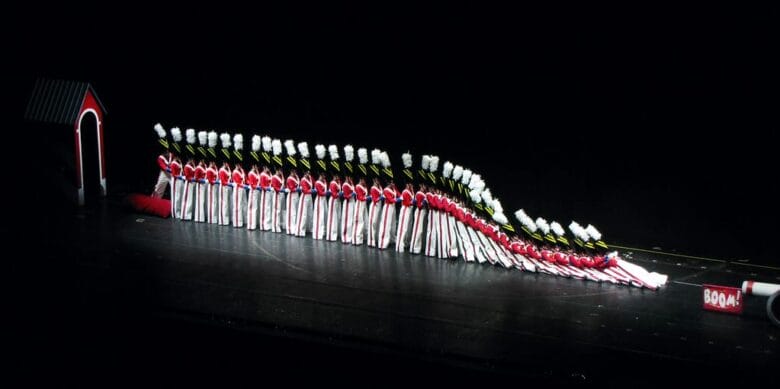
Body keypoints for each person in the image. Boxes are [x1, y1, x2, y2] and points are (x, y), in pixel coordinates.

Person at [377, 181, 398, 249]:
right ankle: (382, 243)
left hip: (393, 207)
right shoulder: (386, 190)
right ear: (389, 183)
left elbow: (399, 194)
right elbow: (390, 199)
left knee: (393, 225)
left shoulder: (394, 189)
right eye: (392, 183)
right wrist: (398, 200)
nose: (394, 184)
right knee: (386, 225)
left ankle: (391, 240)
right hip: (388, 207)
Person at [395, 183, 414, 252]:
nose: (411, 186)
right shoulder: (405, 191)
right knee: (402, 228)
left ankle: (405, 243)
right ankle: (399, 246)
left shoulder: (411, 191)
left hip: (409, 210)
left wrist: (412, 190)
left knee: (407, 228)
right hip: (405, 209)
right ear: (407, 185)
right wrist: (413, 202)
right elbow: (407, 202)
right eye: (409, 184)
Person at [409, 184, 428, 255]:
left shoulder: (423, 194)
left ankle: (417, 248)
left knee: (421, 231)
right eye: (424, 186)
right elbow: (419, 206)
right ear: (421, 186)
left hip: (423, 212)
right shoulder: (419, 193)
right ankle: (413, 248)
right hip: (420, 212)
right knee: (417, 230)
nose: (425, 187)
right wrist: (424, 201)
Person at [295, 171, 313, 237]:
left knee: (309, 214)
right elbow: (305, 190)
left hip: (309, 196)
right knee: (303, 214)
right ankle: (300, 231)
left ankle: (307, 229)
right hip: (305, 197)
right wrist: (313, 191)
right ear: (305, 173)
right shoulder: (303, 180)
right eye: (307, 173)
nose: (309, 174)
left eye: (309, 173)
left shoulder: (310, 178)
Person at [351, 177, 368, 245]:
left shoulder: (365, 186)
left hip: (364, 204)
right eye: (363, 180)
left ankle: (361, 237)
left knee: (364, 221)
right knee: (358, 221)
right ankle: (356, 239)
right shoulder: (358, 186)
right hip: (359, 204)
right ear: (361, 179)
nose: (364, 181)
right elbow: (360, 197)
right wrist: (368, 198)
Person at [312, 174, 328, 240]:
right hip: (319, 199)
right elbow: (320, 193)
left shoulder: (325, 182)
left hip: (324, 199)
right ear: (320, 176)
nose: (323, 177)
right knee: (319, 217)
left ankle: (323, 231)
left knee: (324, 215)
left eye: (324, 176)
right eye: (322, 176)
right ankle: (317, 234)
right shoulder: (317, 182)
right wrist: (327, 193)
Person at [326, 175, 341, 242]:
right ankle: (330, 235)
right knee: (332, 218)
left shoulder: (338, 182)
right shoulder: (332, 183)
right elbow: (334, 194)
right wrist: (340, 194)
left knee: (337, 218)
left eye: (337, 176)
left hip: (337, 200)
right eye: (336, 176)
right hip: (333, 200)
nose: (337, 177)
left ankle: (335, 234)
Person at [285, 169, 300, 235]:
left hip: (296, 195)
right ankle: (290, 229)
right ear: (291, 172)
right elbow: (291, 188)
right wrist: (298, 189)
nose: (295, 173)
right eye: (293, 171)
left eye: (295, 171)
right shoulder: (289, 178)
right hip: (291, 195)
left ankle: (294, 227)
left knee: (296, 212)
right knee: (291, 213)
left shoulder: (296, 177)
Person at [340, 176, 355, 243]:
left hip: (352, 203)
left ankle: (350, 235)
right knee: (347, 221)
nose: (350, 178)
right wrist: (352, 194)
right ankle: (345, 237)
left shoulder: (351, 184)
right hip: (348, 203)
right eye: (349, 177)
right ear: (346, 177)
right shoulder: (345, 185)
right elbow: (346, 196)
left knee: (351, 220)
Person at [246, 164, 260, 230]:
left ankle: (254, 224)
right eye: (256, 166)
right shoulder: (251, 173)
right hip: (253, 192)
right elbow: (252, 185)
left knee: (256, 208)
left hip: (256, 191)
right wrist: (258, 187)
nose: (257, 167)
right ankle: (250, 225)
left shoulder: (256, 173)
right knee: (252, 208)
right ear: (253, 166)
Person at [231, 162, 246, 227]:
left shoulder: (242, 170)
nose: (239, 166)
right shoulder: (235, 172)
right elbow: (237, 182)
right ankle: (237, 222)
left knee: (243, 204)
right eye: (238, 165)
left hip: (242, 188)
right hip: (237, 189)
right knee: (237, 205)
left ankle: (242, 221)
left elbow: (244, 179)